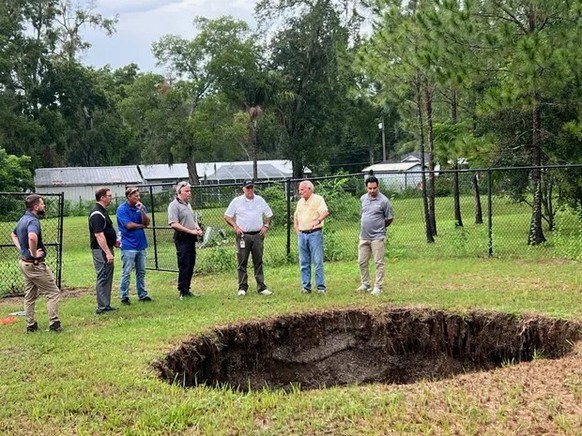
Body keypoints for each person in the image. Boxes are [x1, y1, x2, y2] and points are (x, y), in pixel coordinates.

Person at [10, 194, 62, 332]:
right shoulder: (33, 221)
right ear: (36, 206)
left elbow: (13, 234)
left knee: (30, 295)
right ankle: (54, 324)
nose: (44, 205)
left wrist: (22, 249)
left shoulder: (23, 219)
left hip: (24, 263)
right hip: (34, 265)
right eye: (42, 203)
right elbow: (32, 237)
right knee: (53, 292)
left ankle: (30, 324)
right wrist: (33, 254)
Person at [224, 179, 273, 297]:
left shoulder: (260, 200)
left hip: (257, 235)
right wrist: (235, 227)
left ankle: (261, 286)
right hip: (243, 235)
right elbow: (227, 216)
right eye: (248, 188)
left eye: (251, 187)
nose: (250, 190)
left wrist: (266, 226)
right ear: (243, 189)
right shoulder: (237, 201)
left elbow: (269, 215)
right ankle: (242, 287)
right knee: (242, 261)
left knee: (258, 261)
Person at [357, 175, 394, 296]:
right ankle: (365, 284)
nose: (372, 190)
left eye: (374, 188)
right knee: (362, 261)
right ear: (366, 187)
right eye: (370, 188)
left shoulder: (384, 201)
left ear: (378, 187)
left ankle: (378, 287)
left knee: (378, 262)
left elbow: (389, 218)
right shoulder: (363, 199)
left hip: (377, 237)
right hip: (364, 236)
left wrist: (380, 227)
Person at [116, 186, 152, 304]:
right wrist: (141, 226)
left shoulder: (140, 207)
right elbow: (128, 225)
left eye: (139, 195)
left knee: (141, 271)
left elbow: (147, 222)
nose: (138, 198)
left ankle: (142, 294)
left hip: (141, 244)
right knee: (127, 272)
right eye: (135, 196)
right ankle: (124, 296)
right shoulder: (122, 209)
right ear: (129, 197)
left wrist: (142, 211)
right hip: (128, 245)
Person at [168, 181, 203, 299]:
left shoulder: (187, 204)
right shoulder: (174, 205)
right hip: (182, 237)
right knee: (184, 264)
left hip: (191, 237)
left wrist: (197, 228)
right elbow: (174, 224)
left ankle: (187, 289)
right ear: (179, 192)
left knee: (191, 263)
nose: (189, 193)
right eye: (186, 191)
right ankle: (182, 291)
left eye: (190, 191)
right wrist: (190, 231)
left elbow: (192, 219)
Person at [293, 180, 330, 294]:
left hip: (314, 233)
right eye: (299, 190)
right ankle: (306, 287)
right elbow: (295, 216)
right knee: (304, 262)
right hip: (302, 235)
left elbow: (325, 212)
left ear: (309, 189)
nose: (300, 192)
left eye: (302, 189)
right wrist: (296, 229)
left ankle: (320, 287)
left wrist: (318, 220)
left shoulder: (318, 199)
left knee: (317, 261)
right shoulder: (300, 202)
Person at [89, 187, 119, 314]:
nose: (111, 198)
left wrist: (114, 242)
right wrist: (107, 252)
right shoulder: (97, 214)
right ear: (102, 198)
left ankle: (106, 304)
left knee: (107, 275)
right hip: (100, 250)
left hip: (107, 248)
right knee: (103, 275)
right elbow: (99, 235)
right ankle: (102, 306)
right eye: (109, 196)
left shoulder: (103, 211)